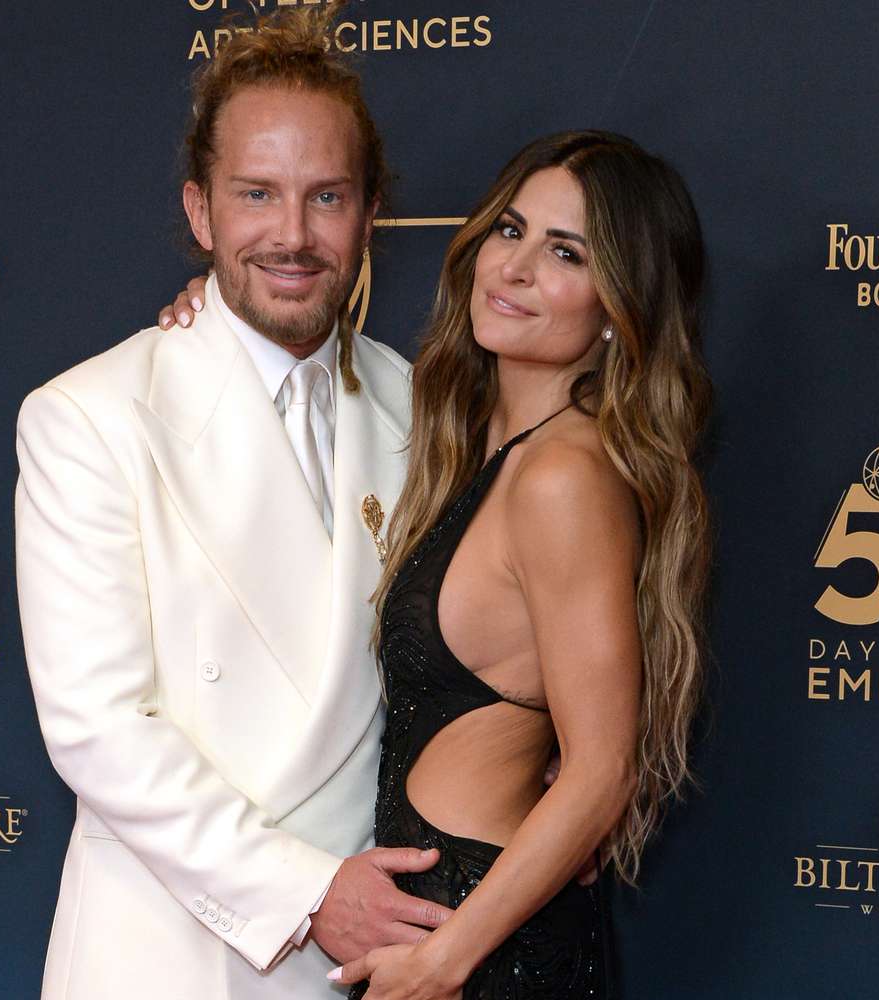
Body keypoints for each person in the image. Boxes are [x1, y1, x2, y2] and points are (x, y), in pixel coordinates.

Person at [162, 130, 713, 999]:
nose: (516, 268)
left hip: (482, 946)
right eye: (511, 230)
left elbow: (603, 767)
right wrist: (217, 314)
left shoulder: (563, 478)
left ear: (619, 305)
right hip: (442, 926)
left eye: (566, 253)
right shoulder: (467, 435)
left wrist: (444, 960)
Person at [14, 10, 453, 1000]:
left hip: (377, 954)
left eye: (326, 196)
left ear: (370, 214)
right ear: (202, 212)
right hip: (174, 954)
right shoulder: (89, 416)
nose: (292, 235)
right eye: (257, 193)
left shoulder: (423, 407)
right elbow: (99, 728)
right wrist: (307, 891)